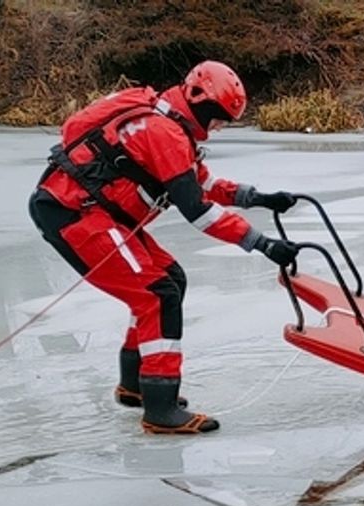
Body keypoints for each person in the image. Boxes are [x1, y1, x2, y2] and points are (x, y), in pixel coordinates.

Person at [29, 61, 300, 434]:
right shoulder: (166, 133)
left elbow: (199, 181)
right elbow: (197, 210)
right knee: (156, 295)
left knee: (171, 278)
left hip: (91, 212)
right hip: (75, 215)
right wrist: (263, 244)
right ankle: (161, 408)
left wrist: (259, 198)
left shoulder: (165, 120)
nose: (218, 127)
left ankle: (135, 385)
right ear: (202, 105)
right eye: (218, 119)